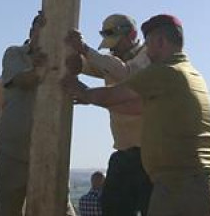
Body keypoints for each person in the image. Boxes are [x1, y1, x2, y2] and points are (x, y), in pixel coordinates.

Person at [68, 14, 210, 216]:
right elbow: (130, 101)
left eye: (149, 44)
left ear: (160, 41)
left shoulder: (164, 71)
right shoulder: (188, 72)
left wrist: (85, 93)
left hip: (180, 182)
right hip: (186, 179)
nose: (148, 50)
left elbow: (119, 92)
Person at [64, 14, 152, 216]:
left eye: (116, 43)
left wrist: (85, 50)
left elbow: (125, 73)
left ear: (132, 35)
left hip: (150, 155)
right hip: (124, 152)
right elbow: (90, 65)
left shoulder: (148, 55)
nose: (112, 49)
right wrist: (71, 55)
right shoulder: (113, 59)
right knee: (112, 207)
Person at [0, 12, 75, 216]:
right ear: (32, 31)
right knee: (7, 209)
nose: (48, 33)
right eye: (42, 27)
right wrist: (41, 67)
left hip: (51, 153)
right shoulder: (14, 54)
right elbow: (24, 80)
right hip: (13, 154)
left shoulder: (64, 58)